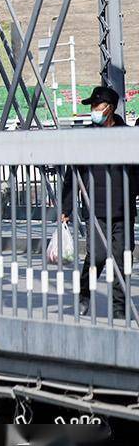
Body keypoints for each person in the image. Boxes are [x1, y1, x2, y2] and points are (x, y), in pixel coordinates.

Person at [61, 86, 133, 316]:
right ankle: (85, 294)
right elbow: (73, 174)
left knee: (122, 261)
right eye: (92, 106)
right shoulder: (86, 137)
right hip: (96, 209)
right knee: (98, 256)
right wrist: (67, 207)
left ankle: (119, 309)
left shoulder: (128, 136)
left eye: (96, 106)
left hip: (124, 208)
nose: (93, 111)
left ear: (109, 108)